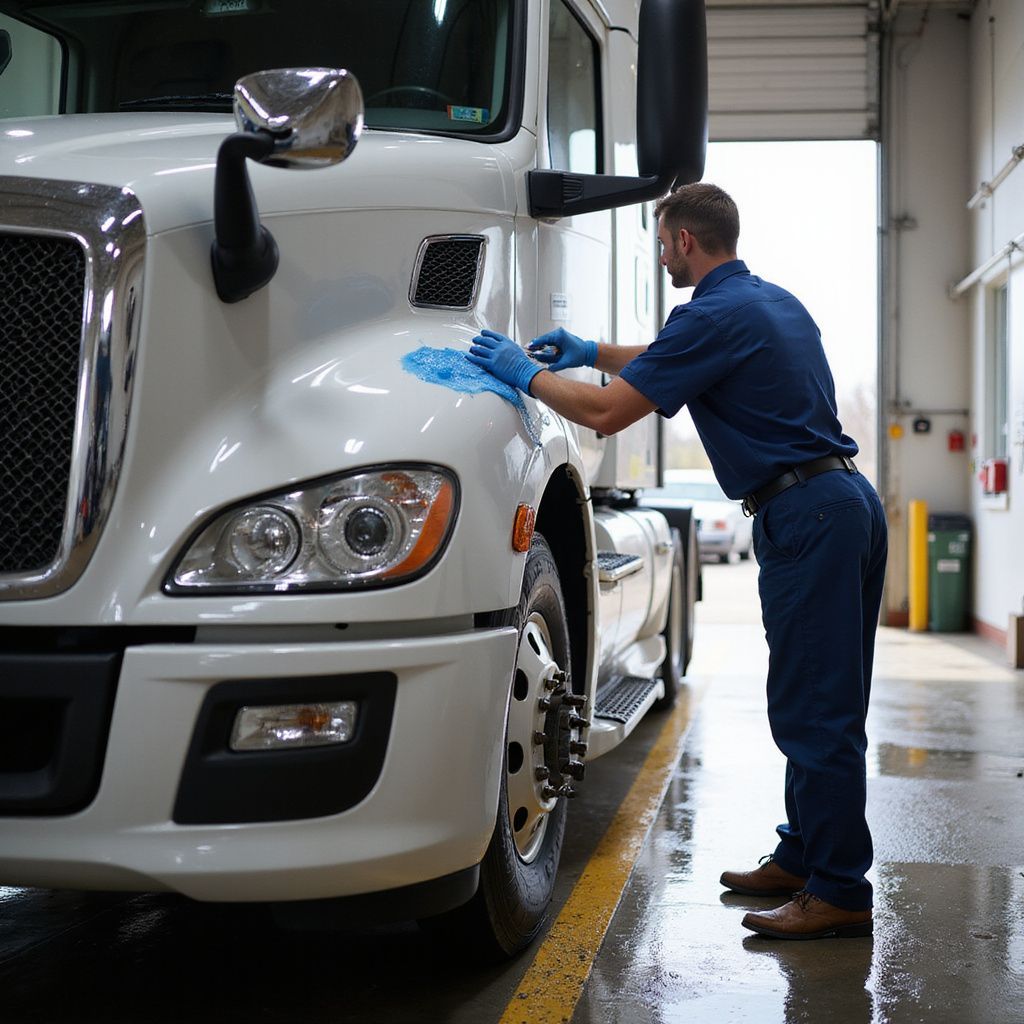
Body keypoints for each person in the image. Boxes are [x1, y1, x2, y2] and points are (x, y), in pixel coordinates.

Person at [466, 182, 888, 941]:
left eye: (662, 243)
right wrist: (591, 351)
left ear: (684, 242)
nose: (660, 255)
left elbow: (604, 411)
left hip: (805, 516)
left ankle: (840, 891)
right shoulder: (768, 303)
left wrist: (520, 372)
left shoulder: (714, 316)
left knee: (812, 708)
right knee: (825, 698)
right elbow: (671, 359)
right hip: (845, 504)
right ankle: (803, 855)